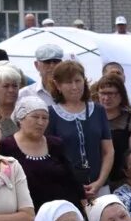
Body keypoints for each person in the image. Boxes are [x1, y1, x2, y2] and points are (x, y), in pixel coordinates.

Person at [44, 61, 112, 199]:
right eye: (68, 82)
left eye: (78, 81)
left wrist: (99, 182)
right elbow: (51, 157)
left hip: (100, 187)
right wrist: (72, 185)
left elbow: (108, 151)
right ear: (58, 85)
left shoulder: (98, 110)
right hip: (66, 188)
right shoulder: (50, 114)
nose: (74, 87)